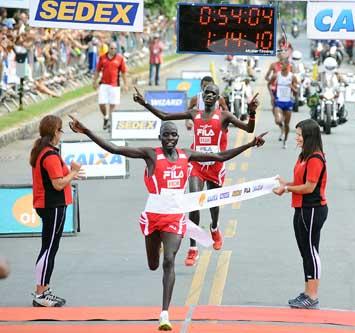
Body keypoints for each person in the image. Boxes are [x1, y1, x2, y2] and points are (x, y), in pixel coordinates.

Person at [68, 116, 266, 330]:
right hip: (153, 215)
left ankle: (164, 314)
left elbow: (218, 156)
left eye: (173, 135)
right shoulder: (151, 154)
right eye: (166, 135)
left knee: (169, 261)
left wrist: (250, 143)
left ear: (178, 137)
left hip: (174, 216)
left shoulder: (186, 155)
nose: (170, 138)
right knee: (153, 265)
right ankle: (158, 246)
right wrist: (86, 130)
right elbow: (115, 149)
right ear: (160, 137)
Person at [133, 84, 258, 266]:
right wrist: (145, 104)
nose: (209, 96)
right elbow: (165, 116)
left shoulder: (224, 116)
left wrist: (252, 112)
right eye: (206, 93)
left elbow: (248, 129)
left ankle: (214, 227)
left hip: (214, 163)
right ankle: (193, 248)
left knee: (213, 203)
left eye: (213, 94)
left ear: (217, 98)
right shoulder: (194, 113)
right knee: (194, 201)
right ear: (202, 95)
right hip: (196, 164)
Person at [273, 119, 328, 310]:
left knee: (311, 251)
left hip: (313, 209)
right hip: (300, 208)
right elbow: (299, 182)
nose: (296, 138)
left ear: (308, 137)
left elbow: (309, 187)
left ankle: (313, 296)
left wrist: (287, 189)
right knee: (305, 251)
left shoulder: (315, 158)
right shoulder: (303, 156)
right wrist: (285, 183)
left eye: (299, 135)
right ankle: (306, 292)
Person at [30, 115, 82, 307]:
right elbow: (58, 184)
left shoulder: (42, 150)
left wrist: (71, 175)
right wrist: (73, 173)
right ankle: (41, 293)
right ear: (54, 132)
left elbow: (60, 178)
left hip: (50, 205)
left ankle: (44, 289)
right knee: (49, 249)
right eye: (61, 130)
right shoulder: (50, 155)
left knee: (49, 248)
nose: (61, 134)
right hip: (53, 205)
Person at [93, 41, 128, 131]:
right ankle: (106, 116)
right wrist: (94, 81)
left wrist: (126, 84)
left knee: (113, 104)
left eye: (115, 48)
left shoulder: (120, 58)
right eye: (111, 48)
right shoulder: (102, 58)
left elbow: (123, 72)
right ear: (108, 48)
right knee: (101, 104)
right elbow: (97, 70)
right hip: (104, 84)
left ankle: (109, 121)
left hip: (115, 85)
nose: (113, 50)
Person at [268, 58, 298, 149]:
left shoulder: (292, 77)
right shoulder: (276, 75)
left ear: (287, 65)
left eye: (283, 64)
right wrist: (272, 96)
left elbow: (296, 91)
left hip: (288, 102)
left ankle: (285, 141)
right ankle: (282, 129)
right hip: (279, 101)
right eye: (280, 64)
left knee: (287, 124)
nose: (281, 66)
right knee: (278, 120)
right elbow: (269, 84)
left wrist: (292, 87)